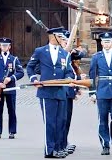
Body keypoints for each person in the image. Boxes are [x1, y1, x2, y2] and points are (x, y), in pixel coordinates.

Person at [26, 27, 74, 158]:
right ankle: (50, 150)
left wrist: (69, 78)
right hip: (46, 92)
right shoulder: (40, 51)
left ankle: (58, 148)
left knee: (61, 122)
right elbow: (30, 67)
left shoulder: (65, 54)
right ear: (53, 37)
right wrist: (34, 79)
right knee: (50, 122)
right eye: (61, 37)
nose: (63, 39)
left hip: (61, 91)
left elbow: (69, 70)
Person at [0, 37, 24, 139]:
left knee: (11, 110)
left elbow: (21, 73)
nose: (4, 47)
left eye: (6, 45)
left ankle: (12, 131)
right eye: (3, 45)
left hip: (10, 89)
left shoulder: (14, 59)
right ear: (0, 47)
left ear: (9, 47)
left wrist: (11, 78)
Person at [60, 30, 87, 155]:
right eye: (65, 41)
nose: (66, 43)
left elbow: (82, 54)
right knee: (60, 119)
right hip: (60, 90)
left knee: (67, 118)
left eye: (68, 41)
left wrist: (75, 51)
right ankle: (60, 143)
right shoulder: (57, 54)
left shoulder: (69, 54)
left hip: (69, 90)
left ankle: (64, 141)